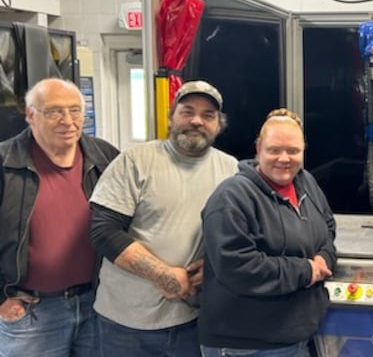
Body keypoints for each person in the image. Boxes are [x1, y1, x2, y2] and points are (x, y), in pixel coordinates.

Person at [89, 80, 238, 357]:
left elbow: (237, 235)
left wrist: (215, 266)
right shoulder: (135, 161)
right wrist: (163, 275)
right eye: (187, 111)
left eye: (208, 115)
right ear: (171, 117)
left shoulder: (230, 169)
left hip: (193, 322)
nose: (196, 120)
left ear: (219, 124)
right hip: (126, 325)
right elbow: (104, 231)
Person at [198, 108, 336, 357]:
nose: (284, 158)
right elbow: (238, 267)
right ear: (258, 148)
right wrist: (306, 271)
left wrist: (324, 258)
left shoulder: (306, 184)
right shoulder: (232, 197)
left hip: (294, 337)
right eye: (274, 150)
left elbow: (327, 228)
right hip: (246, 345)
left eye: (293, 151)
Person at [0, 78, 119, 357]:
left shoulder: (105, 157)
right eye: (54, 111)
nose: (68, 120)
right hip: (31, 313)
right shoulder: (5, 163)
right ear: (30, 115)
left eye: (75, 110)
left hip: (96, 304)